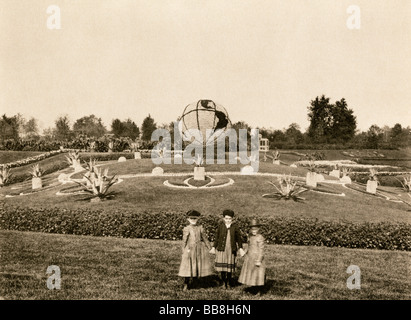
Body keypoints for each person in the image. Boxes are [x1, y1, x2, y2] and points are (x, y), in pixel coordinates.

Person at [178, 210, 213, 291]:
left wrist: (210, 248)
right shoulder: (187, 228)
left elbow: (205, 239)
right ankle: (186, 284)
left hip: (199, 250)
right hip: (189, 250)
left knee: (198, 266)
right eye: (191, 219)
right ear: (188, 219)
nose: (193, 220)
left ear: (198, 219)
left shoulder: (200, 228)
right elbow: (184, 241)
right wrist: (183, 251)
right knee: (188, 266)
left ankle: (197, 283)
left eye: (195, 219)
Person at [210, 209, 244, 289]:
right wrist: (214, 247)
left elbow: (238, 238)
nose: (228, 220)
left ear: (232, 219)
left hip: (231, 250)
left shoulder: (235, 227)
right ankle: (223, 282)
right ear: (223, 218)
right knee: (223, 268)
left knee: (229, 268)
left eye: (230, 219)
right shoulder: (220, 226)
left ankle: (228, 282)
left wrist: (240, 248)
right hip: (222, 249)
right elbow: (217, 237)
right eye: (226, 218)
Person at [238, 219, 266, 293]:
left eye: (255, 229)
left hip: (257, 258)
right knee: (251, 273)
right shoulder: (250, 236)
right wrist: (244, 252)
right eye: (252, 229)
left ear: (258, 229)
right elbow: (248, 245)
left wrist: (259, 260)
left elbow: (261, 250)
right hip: (250, 257)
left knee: (258, 274)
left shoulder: (260, 238)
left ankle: (259, 290)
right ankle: (253, 288)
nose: (254, 231)